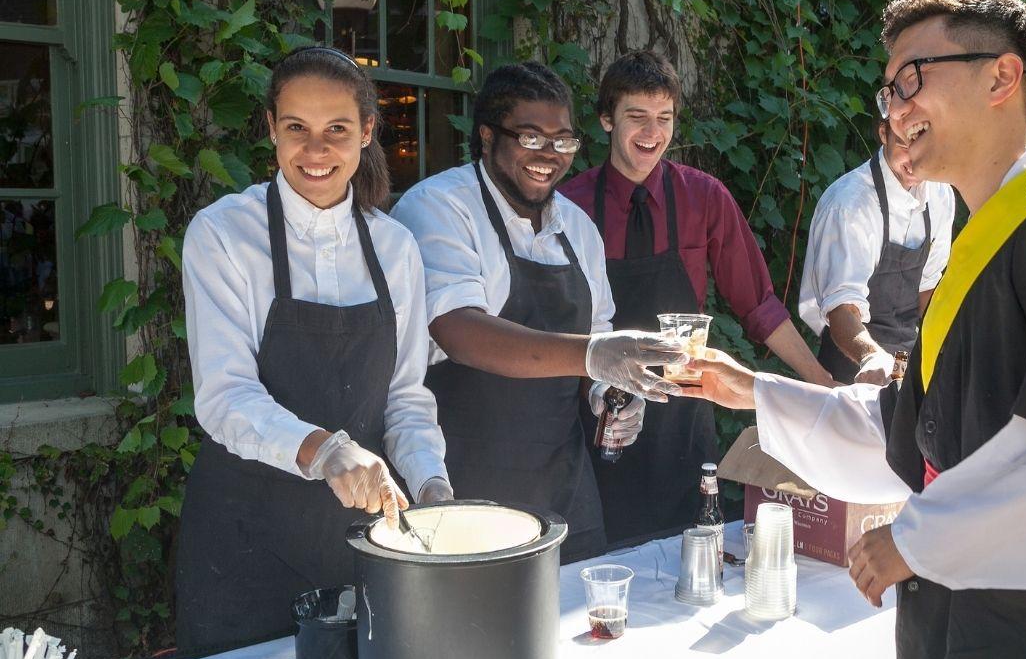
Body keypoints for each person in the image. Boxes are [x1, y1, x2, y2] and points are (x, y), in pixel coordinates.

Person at [686, 0, 1026, 659]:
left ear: (1002, 78)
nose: (894, 110)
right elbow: (915, 430)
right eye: (887, 90)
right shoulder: (982, 241)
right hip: (952, 622)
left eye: (912, 78)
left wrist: (914, 540)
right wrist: (753, 390)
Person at [175, 47, 454, 651]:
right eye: (297, 128)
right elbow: (224, 396)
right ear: (271, 129)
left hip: (354, 539)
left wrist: (432, 484)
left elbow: (404, 396)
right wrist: (325, 451)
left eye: (337, 130)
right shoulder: (223, 234)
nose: (317, 150)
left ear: (367, 134)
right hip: (242, 537)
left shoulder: (396, 248)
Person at [392, 62, 686, 563]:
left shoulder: (578, 228)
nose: (549, 156)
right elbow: (458, 329)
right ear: (487, 137)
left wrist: (610, 394)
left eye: (563, 141)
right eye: (531, 138)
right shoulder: (438, 207)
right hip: (456, 485)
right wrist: (595, 356)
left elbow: (597, 333)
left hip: (566, 492)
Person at [558, 51, 833, 544]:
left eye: (663, 118)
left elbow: (758, 304)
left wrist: (820, 383)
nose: (652, 132)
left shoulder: (703, 198)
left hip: (684, 413)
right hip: (601, 413)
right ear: (606, 120)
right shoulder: (570, 205)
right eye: (636, 116)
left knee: (685, 559)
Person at [797, 118, 955, 385]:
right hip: (848, 366)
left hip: (905, 362)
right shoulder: (849, 205)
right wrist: (872, 358)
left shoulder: (940, 194)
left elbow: (927, 290)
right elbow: (841, 311)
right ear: (884, 133)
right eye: (906, 143)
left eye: (926, 145)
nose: (916, 158)